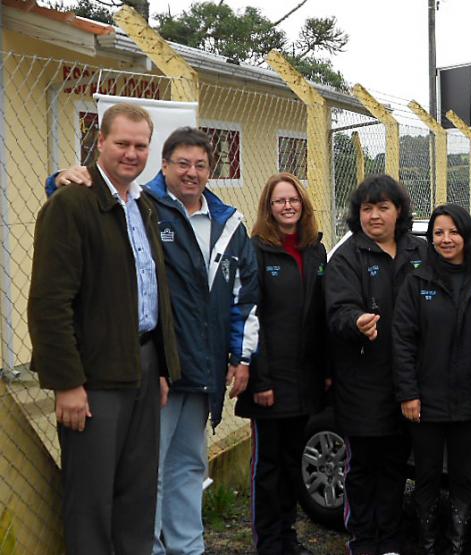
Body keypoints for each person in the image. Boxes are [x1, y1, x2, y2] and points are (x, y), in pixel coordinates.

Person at [47, 126, 260, 555]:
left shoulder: (227, 221)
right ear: (164, 165)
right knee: (149, 472)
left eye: (201, 165)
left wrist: (240, 355)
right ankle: (151, 547)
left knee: (189, 465)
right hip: (157, 367)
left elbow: (244, 295)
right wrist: (58, 180)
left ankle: (188, 546)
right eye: (182, 163)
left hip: (200, 367)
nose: (191, 172)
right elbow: (89, 199)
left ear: (210, 171)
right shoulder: (144, 205)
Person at [28, 103, 181, 553]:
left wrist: (161, 368)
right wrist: (67, 383)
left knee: (137, 497)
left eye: (140, 145)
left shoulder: (144, 205)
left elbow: (155, 292)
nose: (131, 154)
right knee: (91, 501)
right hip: (93, 376)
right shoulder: (71, 204)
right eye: (122, 143)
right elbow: (49, 302)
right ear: (99, 142)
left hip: (143, 364)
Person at [392, 204, 471, 555]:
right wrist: (408, 393)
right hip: (424, 401)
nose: (446, 239)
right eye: (439, 232)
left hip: (469, 400)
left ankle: (456, 545)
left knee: (461, 478)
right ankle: (428, 544)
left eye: (453, 231)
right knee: (426, 476)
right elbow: (402, 340)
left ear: (466, 235)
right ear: (431, 238)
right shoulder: (418, 281)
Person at [325, 174, 426, 555]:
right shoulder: (348, 257)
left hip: (409, 383)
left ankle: (390, 541)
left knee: (395, 468)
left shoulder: (420, 252)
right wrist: (356, 322)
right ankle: (364, 542)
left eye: (383, 207)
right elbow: (336, 311)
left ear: (398, 211)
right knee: (363, 469)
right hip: (363, 385)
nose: (374, 216)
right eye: (367, 208)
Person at [235, 173, 328, 555]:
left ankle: (288, 538)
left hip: (305, 381)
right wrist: (261, 380)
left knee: (292, 465)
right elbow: (251, 317)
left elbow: (321, 317)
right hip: (271, 382)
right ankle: (268, 542)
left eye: (293, 199)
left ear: (302, 204)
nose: (287, 206)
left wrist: (325, 373)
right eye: (279, 201)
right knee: (269, 468)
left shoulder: (315, 251)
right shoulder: (256, 251)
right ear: (268, 208)